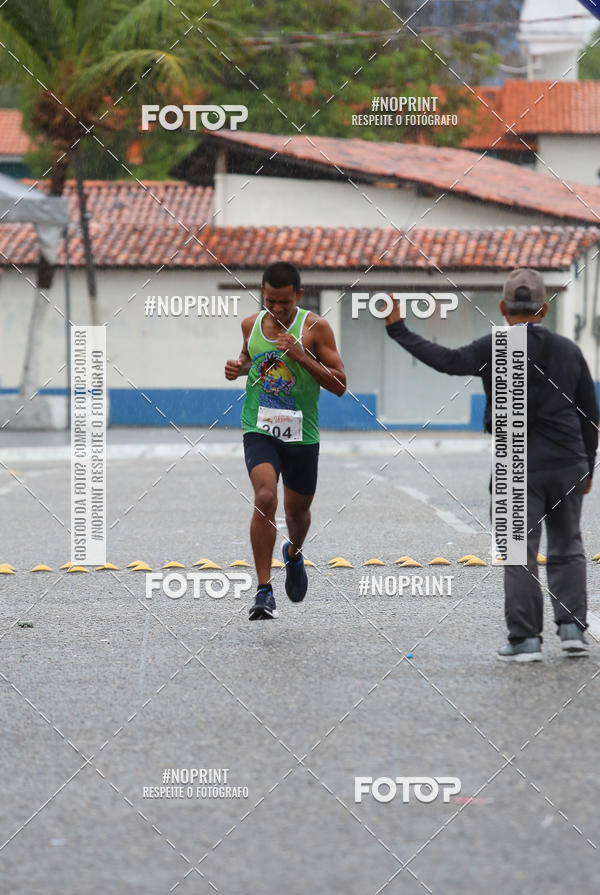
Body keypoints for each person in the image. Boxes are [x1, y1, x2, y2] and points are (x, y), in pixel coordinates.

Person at [383, 269, 598, 661]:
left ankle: (525, 640)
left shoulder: (494, 346)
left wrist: (399, 330)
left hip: (517, 464)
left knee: (519, 551)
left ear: (502, 308)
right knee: (568, 544)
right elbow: (590, 413)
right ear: (544, 309)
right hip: (569, 460)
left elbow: (446, 361)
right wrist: (589, 466)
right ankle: (572, 632)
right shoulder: (569, 350)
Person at [225, 262, 346, 620]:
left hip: (302, 434)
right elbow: (251, 360)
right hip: (259, 426)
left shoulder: (315, 328)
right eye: (269, 300)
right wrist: (238, 367)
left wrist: (299, 354)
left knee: (298, 514)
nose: (276, 309)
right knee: (265, 497)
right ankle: (263, 590)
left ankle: (293, 553)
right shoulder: (250, 325)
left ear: (299, 295)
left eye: (283, 302)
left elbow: (339, 385)